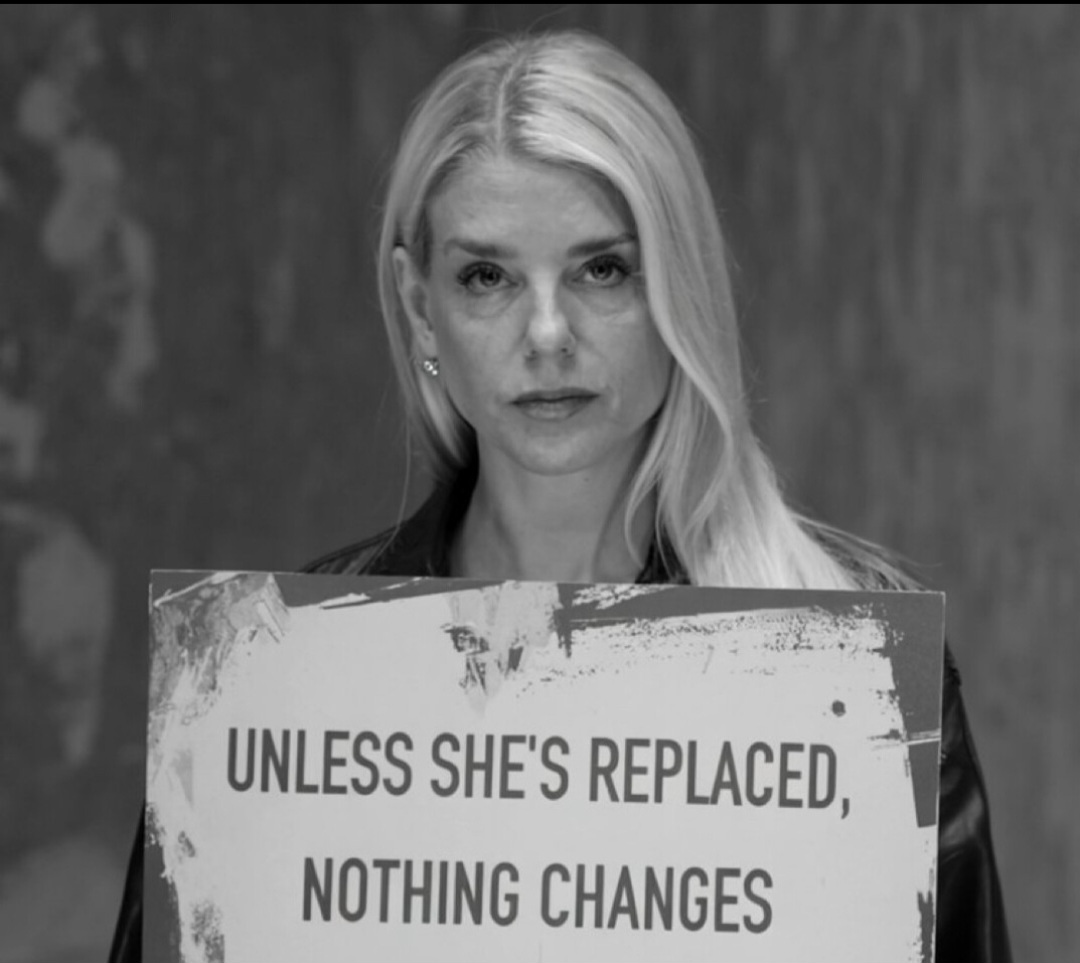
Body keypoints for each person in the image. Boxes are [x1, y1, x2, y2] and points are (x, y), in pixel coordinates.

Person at [109, 29, 1011, 962]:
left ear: (680, 282)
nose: (547, 334)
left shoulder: (857, 686)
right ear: (420, 307)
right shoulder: (270, 684)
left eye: (602, 269)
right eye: (487, 277)